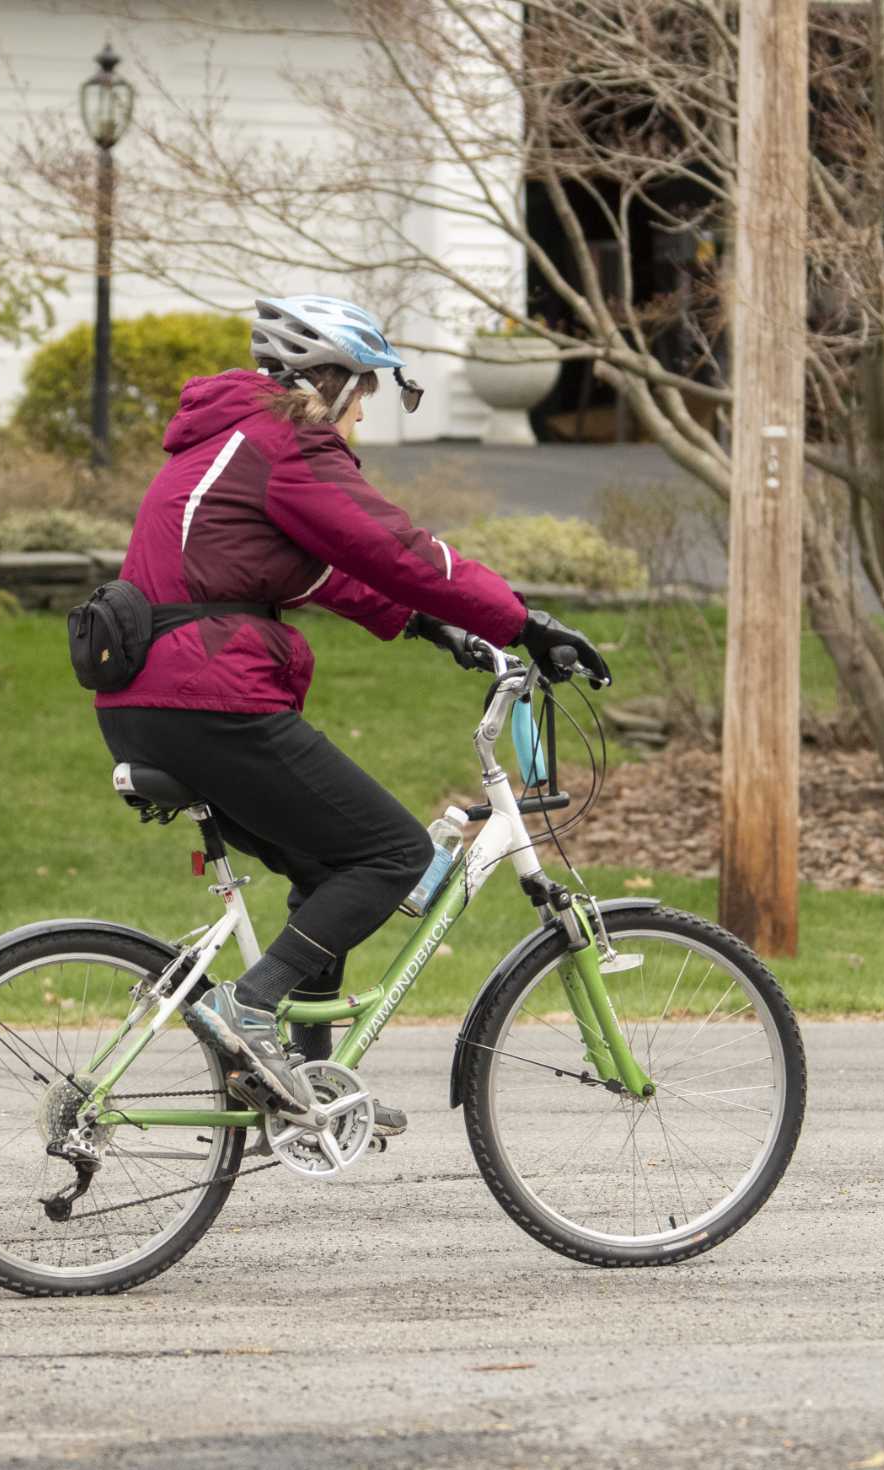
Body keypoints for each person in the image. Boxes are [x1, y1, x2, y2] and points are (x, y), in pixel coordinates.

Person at [95, 294, 611, 1127]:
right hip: (208, 697)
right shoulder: (283, 441)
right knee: (393, 854)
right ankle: (247, 1008)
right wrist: (523, 620)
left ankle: (308, 1089)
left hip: (152, 700)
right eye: (363, 389)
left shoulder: (230, 443)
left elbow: (317, 571)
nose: (364, 409)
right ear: (326, 378)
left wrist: (428, 626)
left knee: (331, 869)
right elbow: (396, 548)